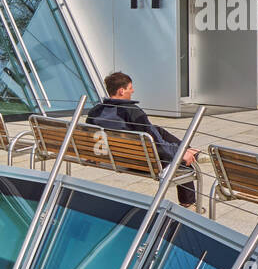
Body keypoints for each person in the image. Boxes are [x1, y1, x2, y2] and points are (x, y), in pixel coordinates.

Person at [86, 71, 200, 208]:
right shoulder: (132, 111)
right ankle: (188, 204)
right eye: (130, 88)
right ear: (121, 91)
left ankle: (189, 149)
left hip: (116, 156)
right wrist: (180, 155)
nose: (133, 90)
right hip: (140, 161)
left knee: (157, 130)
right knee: (184, 164)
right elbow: (158, 145)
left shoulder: (95, 111)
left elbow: (89, 137)